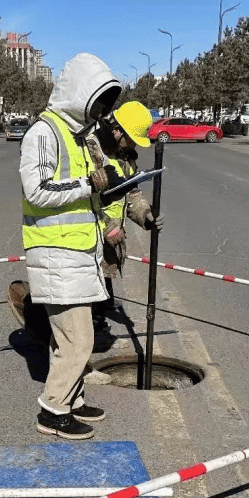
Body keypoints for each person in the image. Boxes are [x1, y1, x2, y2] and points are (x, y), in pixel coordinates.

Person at [18, 53, 138, 439]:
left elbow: (86, 192)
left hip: (77, 252)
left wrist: (110, 188)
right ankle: (53, 411)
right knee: (79, 339)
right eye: (98, 102)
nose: (102, 112)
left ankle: (72, 398)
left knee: (67, 339)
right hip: (56, 253)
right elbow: (36, 190)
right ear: (81, 94)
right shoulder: (44, 133)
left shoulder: (78, 136)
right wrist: (90, 184)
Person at [84, 101, 163, 346]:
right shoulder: (90, 148)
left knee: (104, 273)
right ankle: (93, 329)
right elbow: (80, 196)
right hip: (90, 230)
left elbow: (132, 193)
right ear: (117, 130)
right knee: (90, 281)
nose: (134, 145)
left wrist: (146, 216)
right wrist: (105, 225)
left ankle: (102, 306)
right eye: (131, 139)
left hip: (110, 231)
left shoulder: (124, 156)